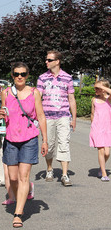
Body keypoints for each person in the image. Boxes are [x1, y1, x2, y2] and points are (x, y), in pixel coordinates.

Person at [0, 62, 48, 228]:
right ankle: (26, 190)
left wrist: (45, 140)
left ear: (28, 75)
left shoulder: (34, 93)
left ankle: (18, 213)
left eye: (23, 74)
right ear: (12, 75)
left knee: (23, 176)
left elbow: (40, 116)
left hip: (29, 138)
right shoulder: (5, 92)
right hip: (11, 139)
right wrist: (0, 114)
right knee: (12, 178)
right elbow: (4, 113)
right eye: (17, 74)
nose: (20, 77)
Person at [37, 50, 77, 186]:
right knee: (49, 144)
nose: (46, 62)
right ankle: (49, 169)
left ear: (57, 61)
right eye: (46, 59)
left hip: (63, 116)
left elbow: (71, 99)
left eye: (49, 60)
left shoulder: (67, 77)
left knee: (64, 143)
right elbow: (38, 98)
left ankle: (65, 175)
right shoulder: (42, 78)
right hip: (47, 116)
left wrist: (74, 119)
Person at [89, 80, 111, 182]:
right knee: (101, 150)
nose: (95, 90)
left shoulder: (109, 99)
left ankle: (101, 167)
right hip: (97, 128)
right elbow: (92, 114)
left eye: (98, 88)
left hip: (107, 128)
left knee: (107, 153)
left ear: (104, 89)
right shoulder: (94, 100)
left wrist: (104, 88)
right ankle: (103, 173)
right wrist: (93, 125)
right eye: (95, 88)